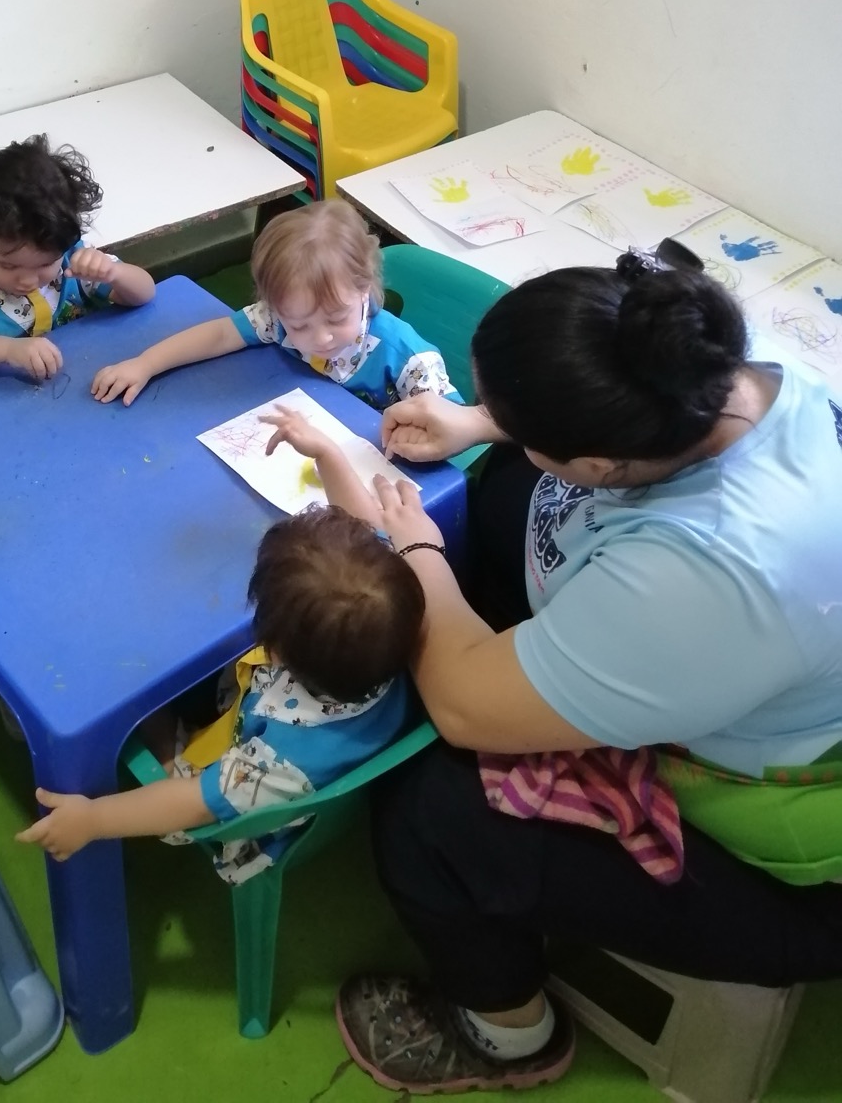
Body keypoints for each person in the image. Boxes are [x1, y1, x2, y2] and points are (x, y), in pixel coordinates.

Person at [333, 248, 842, 1094]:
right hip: (735, 655)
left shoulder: (712, 575)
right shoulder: (737, 371)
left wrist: (413, 550)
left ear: (605, 464)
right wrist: (483, 424)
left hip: (791, 862)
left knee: (432, 807)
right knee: (507, 491)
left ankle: (508, 1035)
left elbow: (460, 706)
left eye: (532, 429)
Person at [16, 499, 424, 884]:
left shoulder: (272, 766)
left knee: (136, 695)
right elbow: (357, 562)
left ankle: (154, 731)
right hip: (315, 738)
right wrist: (327, 457)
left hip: (246, 810)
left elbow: (192, 804)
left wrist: (93, 820)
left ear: (276, 652)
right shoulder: (384, 625)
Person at [92, 199, 454, 410]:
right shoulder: (277, 318)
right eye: (299, 325)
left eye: (336, 318)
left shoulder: (409, 360)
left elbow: (450, 426)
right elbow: (220, 335)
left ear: (364, 288)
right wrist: (145, 364)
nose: (321, 338)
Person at [0, 134, 155, 380]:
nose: (28, 280)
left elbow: (145, 293)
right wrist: (8, 350)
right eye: (8, 266)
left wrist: (114, 274)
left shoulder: (72, 254)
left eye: (46, 264)